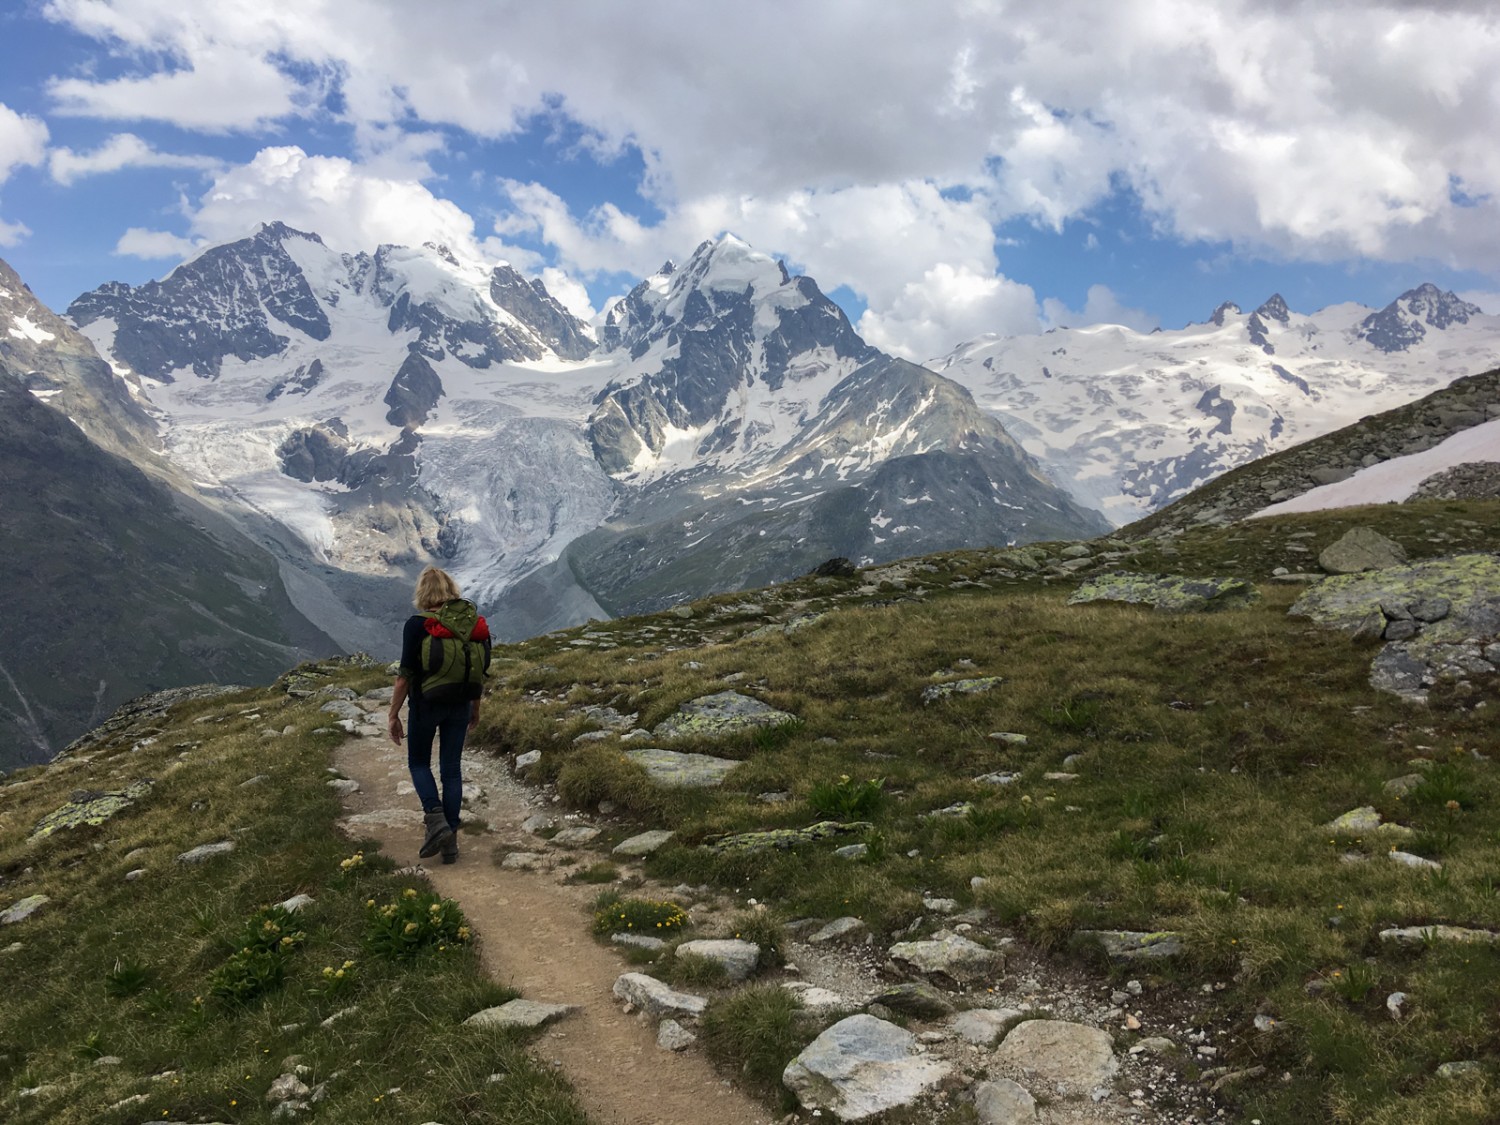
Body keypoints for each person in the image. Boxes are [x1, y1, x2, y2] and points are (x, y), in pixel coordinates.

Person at [386, 565, 491, 863]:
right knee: (451, 770)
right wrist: (475, 708)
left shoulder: (417, 624)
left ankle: (436, 820)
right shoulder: (471, 623)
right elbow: (478, 673)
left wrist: (393, 714)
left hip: (425, 704)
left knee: (419, 763)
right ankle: (451, 842)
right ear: (450, 589)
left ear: (422, 592)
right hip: (459, 704)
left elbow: (405, 675)